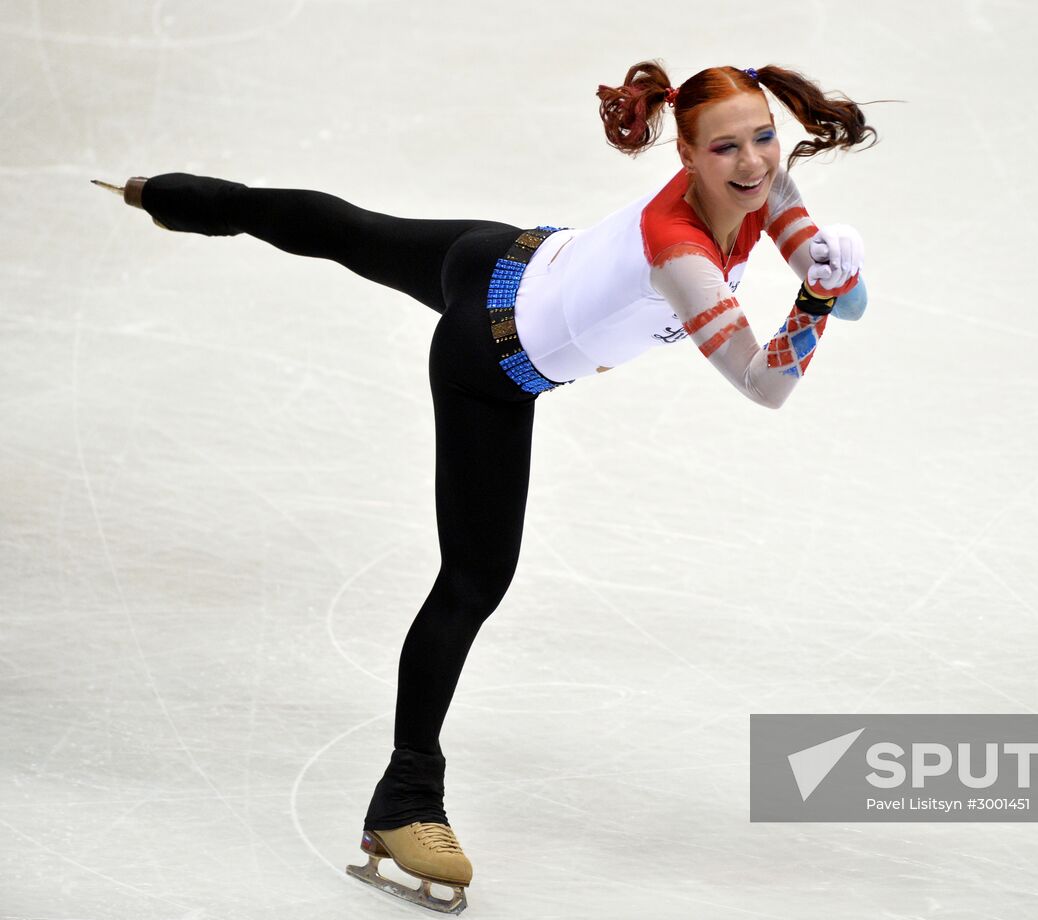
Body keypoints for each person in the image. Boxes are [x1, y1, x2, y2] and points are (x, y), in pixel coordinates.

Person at [93, 60, 875, 914]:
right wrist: (816, 298)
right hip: (487, 363)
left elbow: (845, 289)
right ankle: (404, 801)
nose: (754, 163)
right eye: (726, 147)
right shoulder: (678, 253)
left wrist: (831, 271)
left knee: (353, 229)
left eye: (763, 136)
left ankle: (168, 197)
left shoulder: (767, 180)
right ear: (685, 155)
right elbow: (767, 383)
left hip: (503, 254)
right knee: (473, 582)